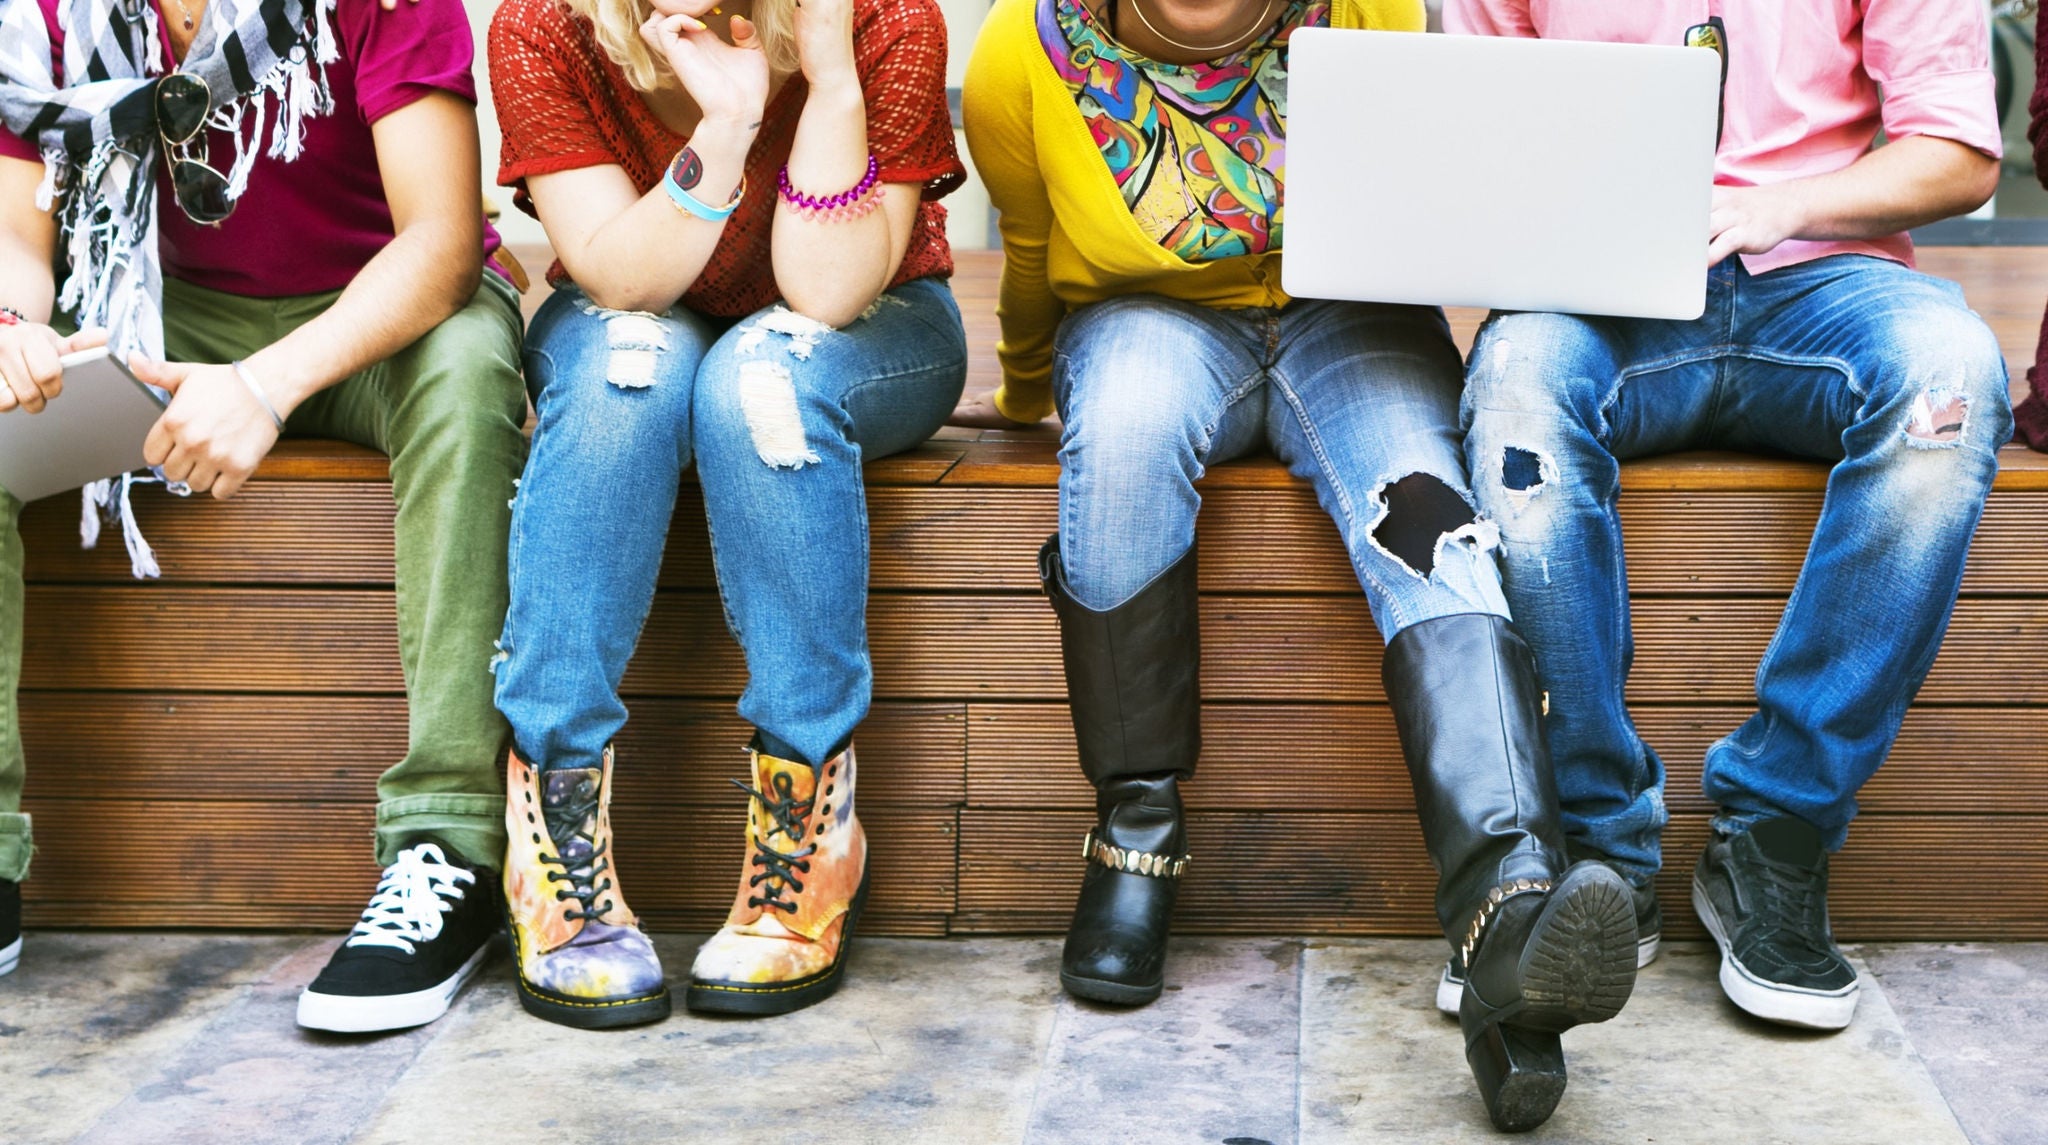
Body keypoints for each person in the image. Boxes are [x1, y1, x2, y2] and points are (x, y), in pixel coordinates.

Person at [963, 0, 1637, 1128]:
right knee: (1120, 431)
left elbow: (1438, 197)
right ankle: (1135, 839)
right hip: (1146, 323)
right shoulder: (1018, 51)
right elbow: (1028, 246)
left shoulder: (1372, 7)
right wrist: (1025, 391)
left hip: (1351, 324)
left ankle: (1508, 901)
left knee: (1427, 518)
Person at [1446, 0, 2013, 1032]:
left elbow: (1957, 154)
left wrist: (1781, 205)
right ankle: (1594, 848)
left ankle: (1775, 831)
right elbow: (1475, 139)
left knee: (1952, 380)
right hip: (1600, 291)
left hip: (1824, 277)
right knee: (1517, 390)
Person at [0, 0, 528, 1032]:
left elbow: (442, 242)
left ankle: (449, 841)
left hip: (383, 312)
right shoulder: (45, 15)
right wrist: (13, 321)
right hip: (158, 306)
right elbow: (22, 236)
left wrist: (265, 385)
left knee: (470, 374)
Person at [488, 0, 966, 1027]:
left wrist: (827, 76)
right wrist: (727, 128)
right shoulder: (545, 27)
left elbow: (825, 288)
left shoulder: (888, 17)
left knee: (762, 380)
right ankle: (551, 815)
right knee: (630, 374)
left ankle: (808, 825)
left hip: (870, 321)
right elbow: (622, 278)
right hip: (638, 301)